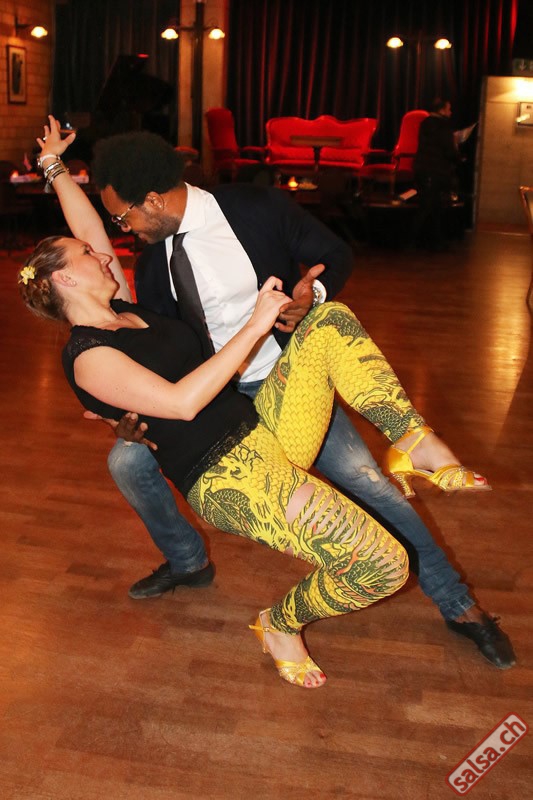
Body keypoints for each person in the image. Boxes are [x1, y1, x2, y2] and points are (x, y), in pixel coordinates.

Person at [40, 118, 515, 670]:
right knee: (127, 460)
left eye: (124, 217)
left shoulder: (253, 208)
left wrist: (311, 295)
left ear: (153, 199)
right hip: (208, 403)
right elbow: (146, 348)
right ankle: (188, 560)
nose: (118, 233)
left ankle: (458, 604)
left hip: (280, 378)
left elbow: (332, 255)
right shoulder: (149, 264)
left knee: (370, 486)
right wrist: (121, 412)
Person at [412, 98, 460, 251]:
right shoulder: (443, 126)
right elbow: (449, 151)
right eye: (449, 109)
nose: (450, 112)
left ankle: (431, 241)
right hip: (436, 170)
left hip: (421, 168)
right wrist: (457, 149)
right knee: (430, 207)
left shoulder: (425, 123)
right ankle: (414, 241)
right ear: (442, 110)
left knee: (430, 206)